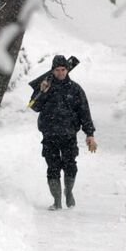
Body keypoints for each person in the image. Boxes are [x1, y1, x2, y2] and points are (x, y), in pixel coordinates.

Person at [28, 54, 97, 210]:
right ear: (53, 71)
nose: (61, 73)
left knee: (70, 166)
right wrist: (41, 92)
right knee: (53, 168)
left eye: (63, 69)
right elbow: (33, 106)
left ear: (67, 70)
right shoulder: (45, 87)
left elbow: (84, 112)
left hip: (69, 135)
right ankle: (57, 200)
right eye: (57, 70)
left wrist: (90, 134)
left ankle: (69, 191)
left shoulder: (76, 89)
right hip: (49, 134)